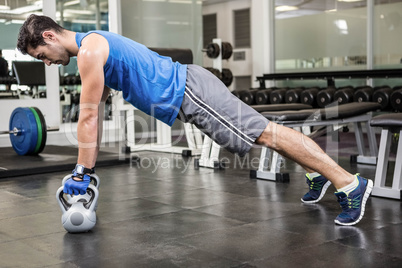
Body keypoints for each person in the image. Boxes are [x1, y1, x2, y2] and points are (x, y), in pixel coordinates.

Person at [17, 14, 373, 226]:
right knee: (265, 135)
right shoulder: (93, 46)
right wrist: (87, 164)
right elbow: (103, 94)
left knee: (267, 134)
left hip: (192, 92)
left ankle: (348, 183)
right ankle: (317, 172)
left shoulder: (90, 51)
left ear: (49, 36)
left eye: (42, 55)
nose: (47, 62)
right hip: (190, 91)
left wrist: (82, 171)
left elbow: (89, 115)